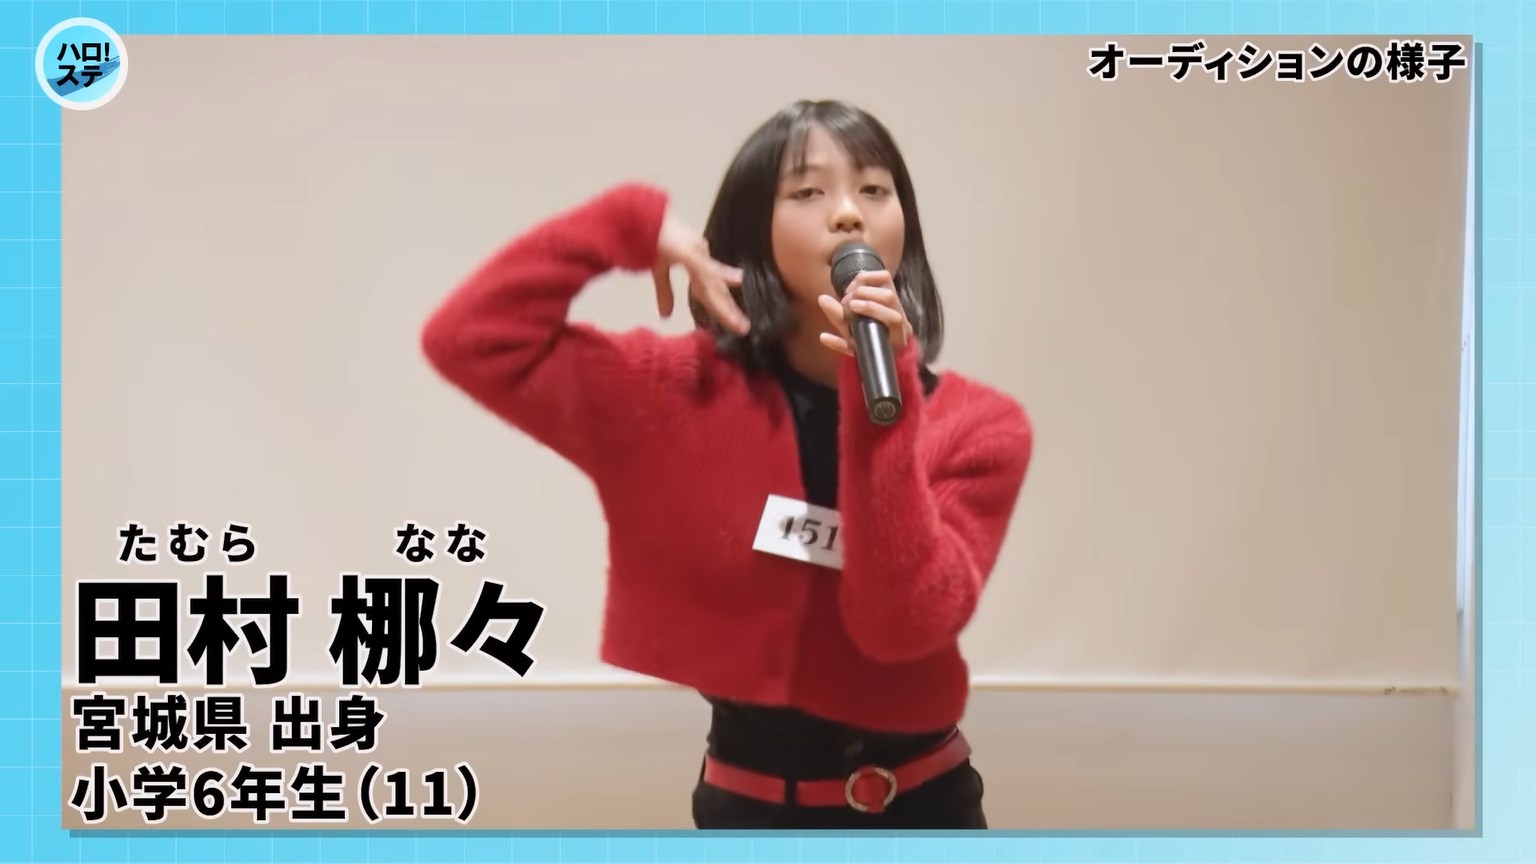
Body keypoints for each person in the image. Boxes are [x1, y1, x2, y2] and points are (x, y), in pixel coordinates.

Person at [420, 99, 1033, 829]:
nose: (848, 213)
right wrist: (623, 224)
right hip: (749, 812)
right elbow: (471, 340)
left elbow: (900, 625)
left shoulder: (979, 427)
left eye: (874, 189)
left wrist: (885, 399)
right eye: (808, 191)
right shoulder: (676, 394)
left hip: (924, 812)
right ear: (751, 228)